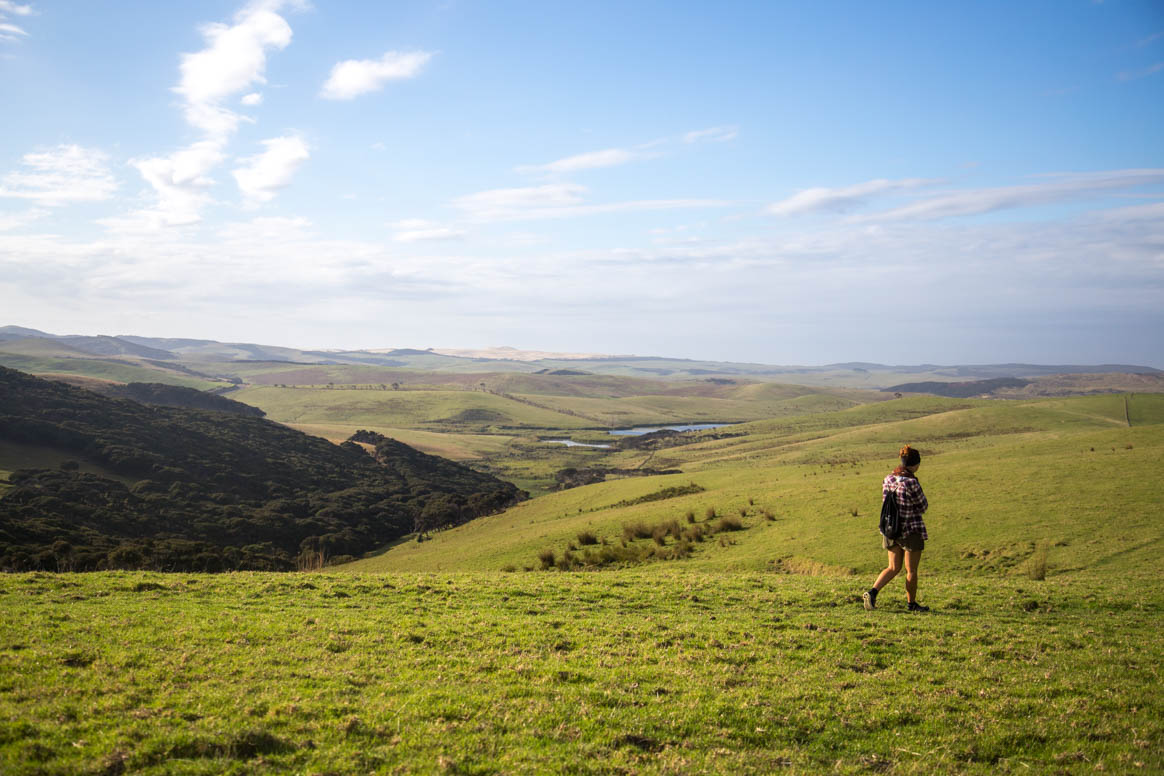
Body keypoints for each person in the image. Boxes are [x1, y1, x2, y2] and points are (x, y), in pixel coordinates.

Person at [863, 445, 929, 612]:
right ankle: (911, 604)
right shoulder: (912, 482)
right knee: (911, 570)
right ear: (915, 465)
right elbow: (922, 506)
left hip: (891, 528)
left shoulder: (888, 479)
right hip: (910, 529)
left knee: (892, 567)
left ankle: (872, 593)